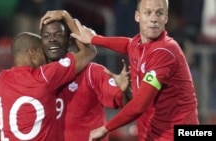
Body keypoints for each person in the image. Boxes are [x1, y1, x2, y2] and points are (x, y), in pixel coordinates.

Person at [57, 0, 199, 140]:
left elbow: (139, 106)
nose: (153, 19)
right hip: (152, 134)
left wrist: (105, 129)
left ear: (166, 18)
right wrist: (94, 39)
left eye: (159, 13)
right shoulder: (139, 44)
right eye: (148, 13)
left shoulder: (164, 51)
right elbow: (127, 44)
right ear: (137, 16)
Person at [39, 10, 130, 141]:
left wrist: (125, 92)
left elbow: (127, 106)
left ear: (70, 41)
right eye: (46, 36)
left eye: (58, 35)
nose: (52, 39)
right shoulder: (38, 77)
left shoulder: (93, 73)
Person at [0, 31, 96, 141]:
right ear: (33, 53)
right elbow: (89, 52)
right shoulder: (44, 77)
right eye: (44, 53)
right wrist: (68, 21)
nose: (47, 59)